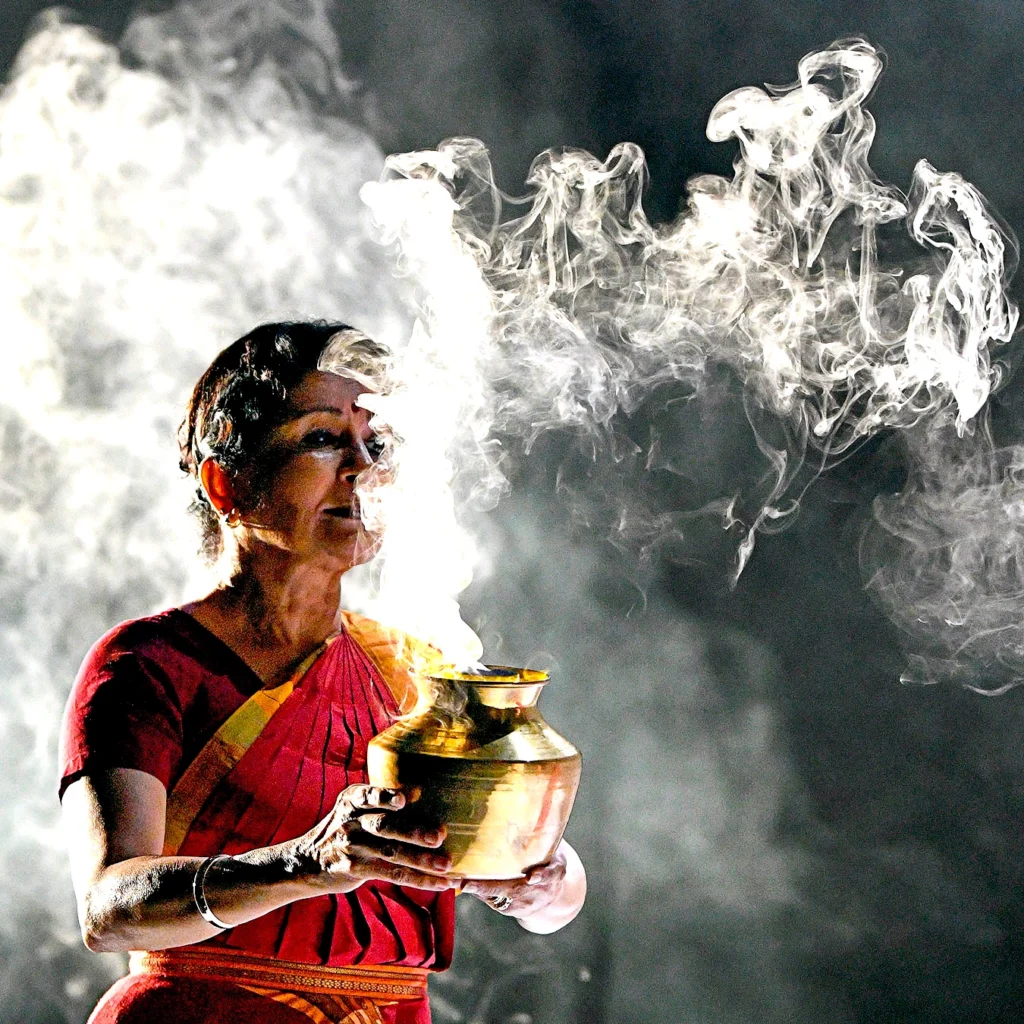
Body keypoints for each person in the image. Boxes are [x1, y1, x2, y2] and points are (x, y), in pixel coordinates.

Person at [58, 321, 587, 1024]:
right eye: (321, 438)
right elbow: (109, 910)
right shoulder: (149, 666)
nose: (361, 468)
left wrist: (542, 881)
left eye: (377, 445)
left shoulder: (410, 671)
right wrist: (303, 863)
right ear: (227, 481)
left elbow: (538, 881)